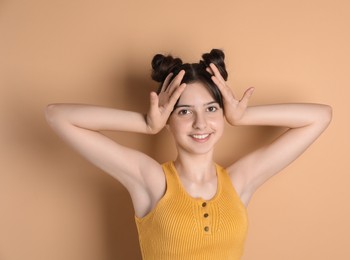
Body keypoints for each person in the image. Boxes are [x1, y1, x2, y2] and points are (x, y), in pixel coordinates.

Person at [45, 49, 332, 260]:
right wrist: (146, 123)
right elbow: (57, 116)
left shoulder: (239, 181)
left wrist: (241, 117)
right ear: (169, 119)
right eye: (184, 111)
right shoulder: (151, 180)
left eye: (211, 109)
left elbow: (320, 117)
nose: (200, 123)